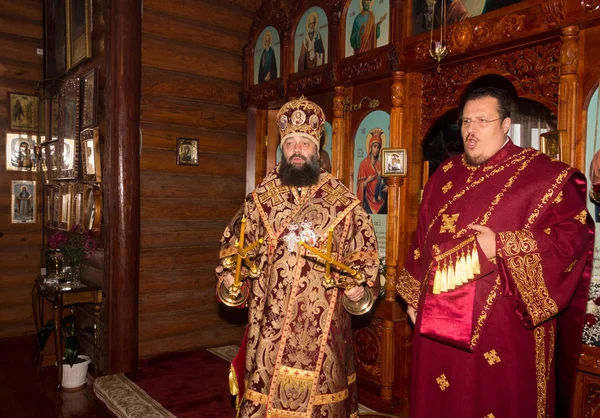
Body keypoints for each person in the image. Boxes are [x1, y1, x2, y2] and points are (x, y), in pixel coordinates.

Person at [396, 86, 593, 418]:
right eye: (466, 122)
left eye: (482, 120)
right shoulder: (444, 175)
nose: (471, 130)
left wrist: (502, 245)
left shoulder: (543, 176)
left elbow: (570, 241)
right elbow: (421, 242)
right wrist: (414, 298)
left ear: (506, 124)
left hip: (502, 334)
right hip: (436, 329)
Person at [216, 96, 380, 417]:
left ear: (317, 149)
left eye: (304, 142)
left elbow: (364, 260)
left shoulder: (343, 204)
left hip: (325, 333)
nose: (296, 149)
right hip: (270, 330)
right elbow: (236, 252)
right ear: (282, 148)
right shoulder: (260, 200)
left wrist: (360, 288)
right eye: (290, 142)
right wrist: (232, 279)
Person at [356, 128, 387, 214]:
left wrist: (388, 188)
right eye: (375, 146)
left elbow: (385, 182)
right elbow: (359, 186)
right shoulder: (363, 164)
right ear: (370, 146)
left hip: (381, 202)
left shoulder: (380, 165)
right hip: (367, 202)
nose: (376, 150)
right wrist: (367, 181)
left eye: (378, 147)